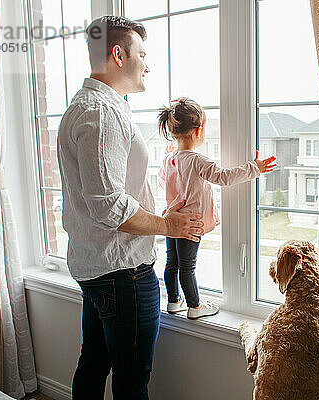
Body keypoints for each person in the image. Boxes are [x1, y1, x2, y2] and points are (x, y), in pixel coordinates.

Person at [57, 16, 204, 399]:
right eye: (142, 53)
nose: (148, 63)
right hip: (122, 274)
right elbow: (109, 206)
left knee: (92, 364)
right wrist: (169, 226)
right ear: (118, 55)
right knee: (131, 383)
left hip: (98, 268)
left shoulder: (92, 106)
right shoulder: (101, 114)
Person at [157, 98, 276, 319]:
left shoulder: (168, 159)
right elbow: (223, 177)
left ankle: (174, 302)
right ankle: (195, 306)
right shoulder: (197, 160)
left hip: (171, 222)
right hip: (191, 224)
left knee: (172, 263)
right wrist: (254, 168)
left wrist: (171, 156)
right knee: (187, 267)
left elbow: (162, 182)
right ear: (198, 131)